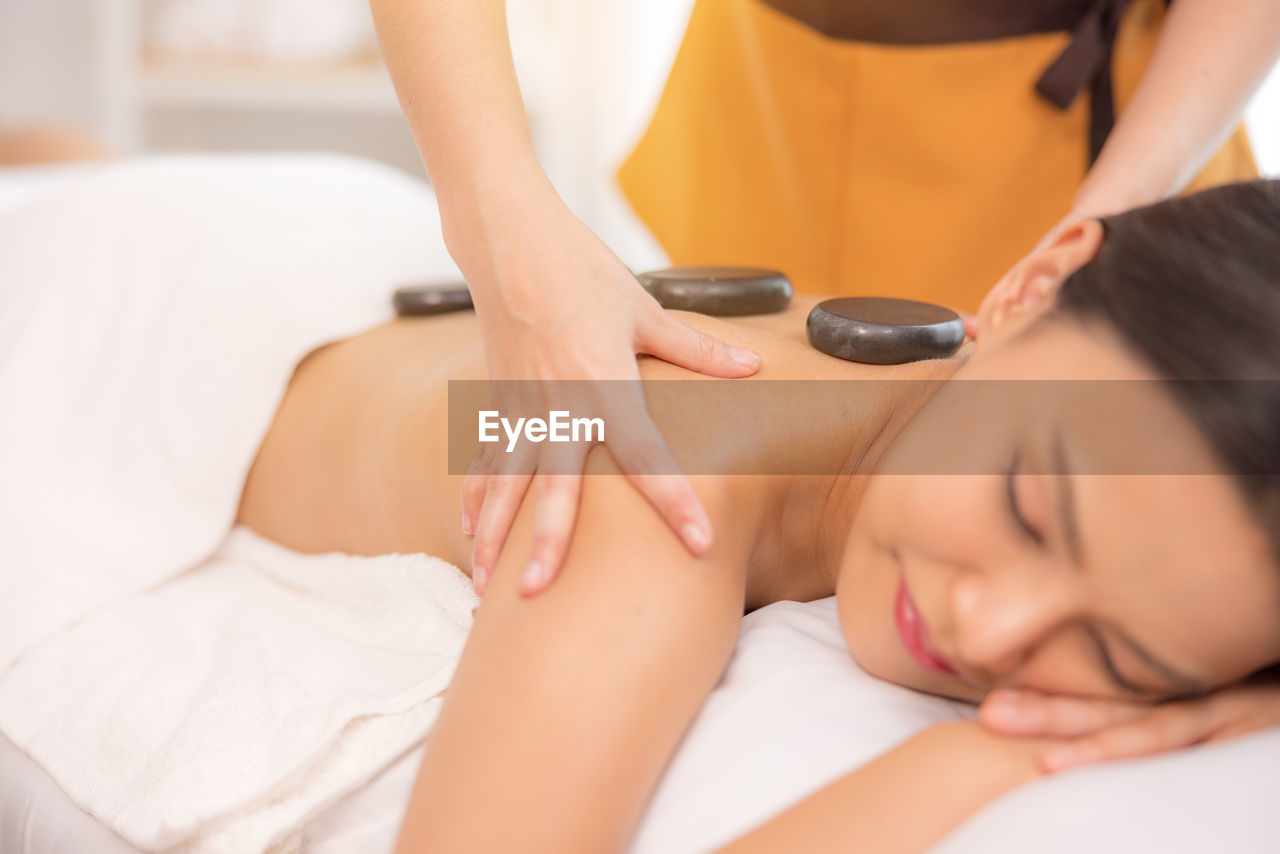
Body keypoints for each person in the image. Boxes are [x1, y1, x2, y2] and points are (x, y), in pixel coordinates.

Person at [236, 179, 1280, 851]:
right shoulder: (649, 473)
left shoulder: (953, 381)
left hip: (374, 272)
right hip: (236, 309)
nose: (991, 632)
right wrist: (994, 757)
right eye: (1028, 508)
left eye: (1121, 657)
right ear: (1033, 283)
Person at [368, 0, 1280, 593]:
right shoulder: (655, 469)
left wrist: (1115, 210)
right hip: (766, 102)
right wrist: (494, 212)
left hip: (1100, 149)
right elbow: (480, 427)